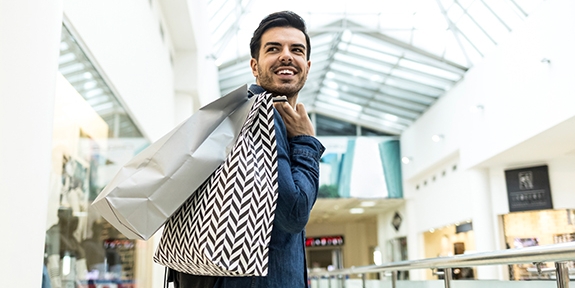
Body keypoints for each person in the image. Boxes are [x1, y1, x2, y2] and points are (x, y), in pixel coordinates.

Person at [169, 10, 325, 288]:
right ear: (255, 66)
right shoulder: (264, 114)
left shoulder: (237, 113)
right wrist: (306, 142)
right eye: (274, 49)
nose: (287, 56)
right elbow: (293, 213)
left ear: (307, 65)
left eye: (296, 50)